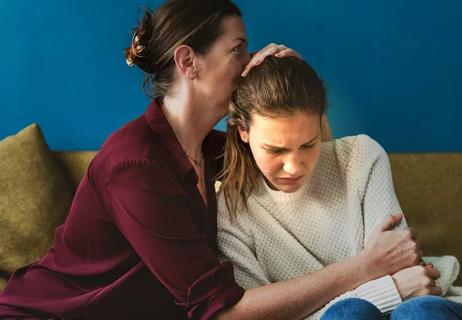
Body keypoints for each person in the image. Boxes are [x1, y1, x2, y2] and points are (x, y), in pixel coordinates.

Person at [0, 1, 420, 319]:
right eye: (238, 49)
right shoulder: (136, 166)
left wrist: (294, 85)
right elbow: (221, 313)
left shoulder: (213, 150)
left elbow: (320, 166)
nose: (249, 62)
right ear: (188, 62)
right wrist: (366, 268)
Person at [216, 55, 462, 319]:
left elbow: (405, 274)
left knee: (419, 312)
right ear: (243, 131)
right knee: (348, 314)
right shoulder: (231, 210)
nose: (294, 167)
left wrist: (394, 285)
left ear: (321, 122)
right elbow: (264, 316)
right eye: (276, 150)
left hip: (420, 305)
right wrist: (390, 289)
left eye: (309, 144)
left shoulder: (360, 156)